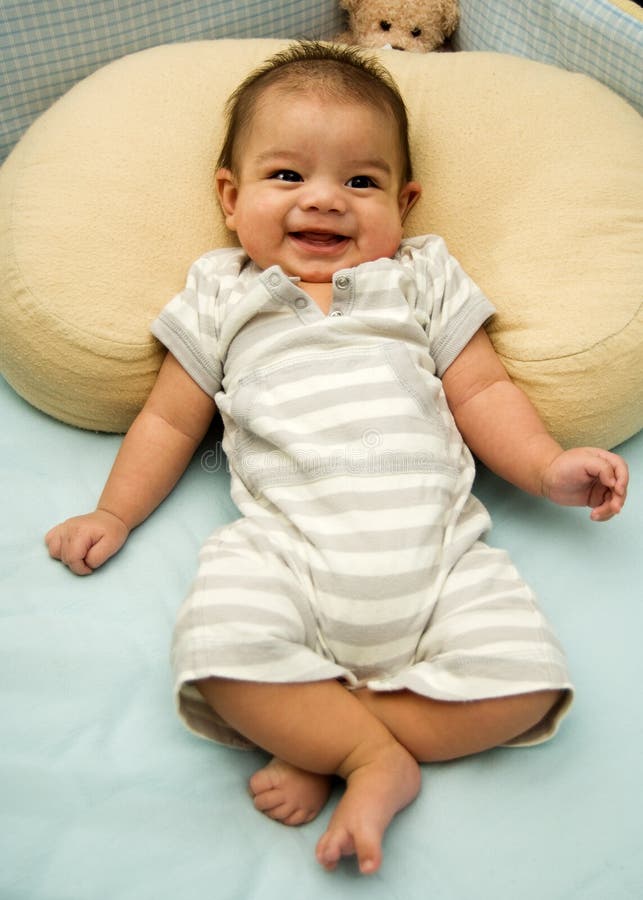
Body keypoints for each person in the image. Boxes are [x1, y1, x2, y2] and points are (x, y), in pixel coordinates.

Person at [46, 42, 628, 876]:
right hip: (287, 551)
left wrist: (544, 468)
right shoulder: (220, 292)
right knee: (216, 652)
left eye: (360, 182)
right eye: (286, 176)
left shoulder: (420, 277)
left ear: (404, 202)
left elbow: (484, 393)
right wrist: (114, 512)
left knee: (529, 686)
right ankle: (373, 757)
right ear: (229, 195)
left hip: (441, 556)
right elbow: (168, 424)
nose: (324, 199)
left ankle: (335, 734)